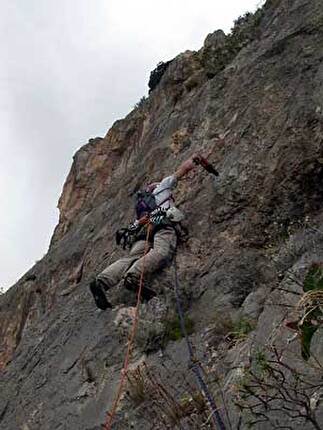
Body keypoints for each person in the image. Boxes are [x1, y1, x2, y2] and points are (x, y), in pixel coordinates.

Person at [89, 153, 204, 310]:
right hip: (162, 225)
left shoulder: (142, 206)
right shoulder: (162, 188)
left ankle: (101, 281)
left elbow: (138, 224)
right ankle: (133, 276)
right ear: (154, 187)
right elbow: (181, 170)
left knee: (132, 257)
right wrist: (194, 160)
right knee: (161, 251)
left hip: (143, 233)